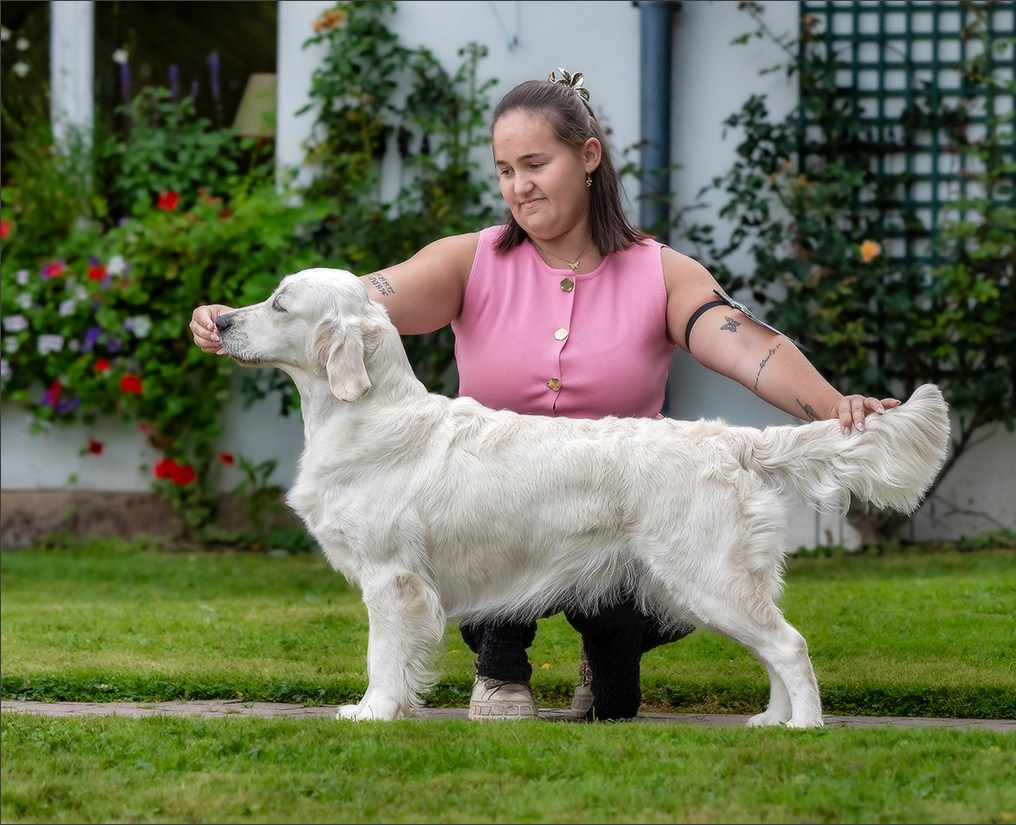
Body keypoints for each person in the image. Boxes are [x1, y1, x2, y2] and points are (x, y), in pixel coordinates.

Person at [190, 68, 900, 723]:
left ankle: (608, 659)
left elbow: (749, 344)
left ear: (589, 157)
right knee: (478, 517)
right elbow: (355, 302)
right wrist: (246, 324)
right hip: (494, 517)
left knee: (619, 691)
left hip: (623, 500)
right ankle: (499, 672)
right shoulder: (468, 260)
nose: (519, 185)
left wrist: (833, 405)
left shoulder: (660, 272)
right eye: (505, 170)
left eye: (536, 164)